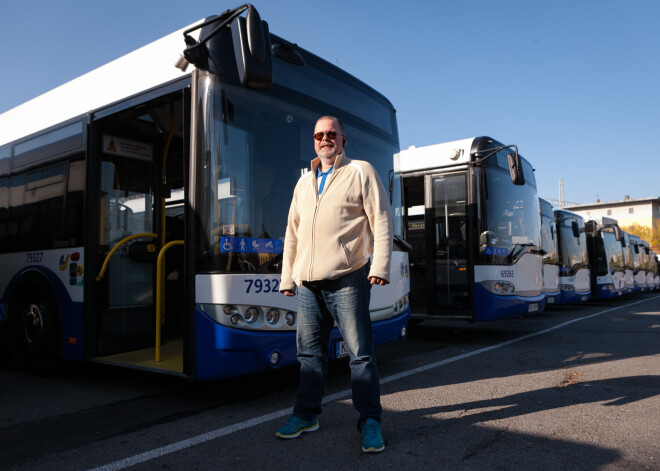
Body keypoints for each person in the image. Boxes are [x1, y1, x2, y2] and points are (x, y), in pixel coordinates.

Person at [276, 116, 393, 453]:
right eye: (319, 135)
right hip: (308, 284)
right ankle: (306, 414)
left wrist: (380, 265)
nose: (325, 139)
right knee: (309, 355)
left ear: (343, 139)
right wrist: (289, 277)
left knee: (360, 356)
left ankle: (370, 421)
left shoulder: (361, 171)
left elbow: (382, 220)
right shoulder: (303, 183)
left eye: (331, 134)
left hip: (349, 277)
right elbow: (292, 232)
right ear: (314, 141)